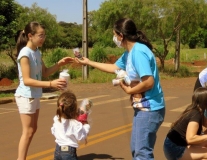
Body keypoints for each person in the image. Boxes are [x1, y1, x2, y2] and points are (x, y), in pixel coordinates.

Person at [75, 18, 165, 160]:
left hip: (150, 109)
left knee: (142, 153)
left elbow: (149, 82)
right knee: (137, 150)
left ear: (121, 36)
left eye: (115, 34)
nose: (114, 38)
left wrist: (130, 90)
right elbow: (113, 68)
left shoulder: (138, 52)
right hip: (142, 108)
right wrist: (88, 62)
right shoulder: (129, 53)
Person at [14, 22, 73, 160]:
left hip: (34, 95)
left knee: (32, 129)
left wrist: (59, 64)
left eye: (44, 35)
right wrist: (51, 84)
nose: (43, 38)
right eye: (40, 35)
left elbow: (45, 72)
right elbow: (27, 80)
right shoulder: (25, 54)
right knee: (28, 131)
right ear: (30, 36)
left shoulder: (36, 52)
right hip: (25, 96)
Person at [163, 87, 207, 160]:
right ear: (205, 101)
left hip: (172, 143)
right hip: (174, 149)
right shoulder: (196, 115)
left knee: (205, 143)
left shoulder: (196, 109)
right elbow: (190, 139)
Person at [51, 91, 90, 160]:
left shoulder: (56, 118)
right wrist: (86, 126)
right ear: (74, 109)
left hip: (58, 150)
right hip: (69, 152)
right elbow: (81, 137)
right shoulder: (75, 124)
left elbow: (53, 130)